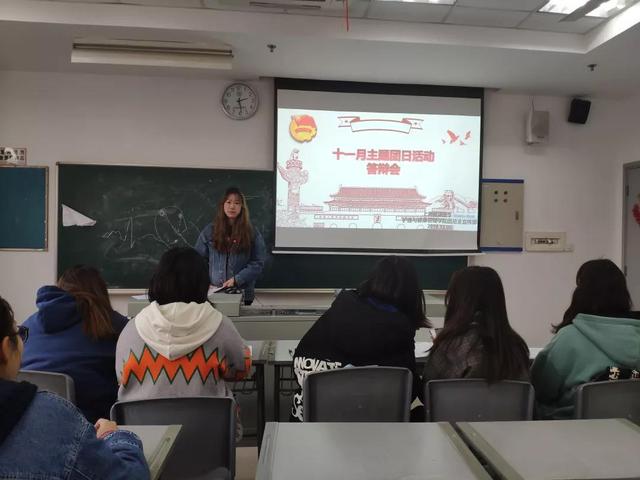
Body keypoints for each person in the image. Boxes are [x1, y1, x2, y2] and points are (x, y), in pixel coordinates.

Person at [0, 295, 149, 480]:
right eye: (20, 333)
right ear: (5, 349)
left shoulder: (34, 321)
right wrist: (115, 436)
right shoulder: (52, 419)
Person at [291, 256, 428, 422]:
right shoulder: (399, 330)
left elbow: (298, 364)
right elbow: (407, 391)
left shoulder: (338, 310)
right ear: (411, 293)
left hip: (306, 427)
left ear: (372, 280)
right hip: (366, 430)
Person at [116, 246, 251, 407]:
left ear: (158, 281)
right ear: (202, 283)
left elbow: (120, 377)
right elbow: (240, 370)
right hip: (208, 422)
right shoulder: (219, 325)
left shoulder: (132, 329)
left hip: (141, 423)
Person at [531, 259, 640, 419]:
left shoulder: (568, 338)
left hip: (571, 427)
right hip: (632, 428)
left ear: (581, 294)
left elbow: (539, 390)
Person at [21, 266, 128, 423]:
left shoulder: (29, 325)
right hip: (90, 424)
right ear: (100, 291)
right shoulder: (111, 324)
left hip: (30, 421)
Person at [422, 266, 529, 384]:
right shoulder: (517, 347)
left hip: (456, 397)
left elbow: (428, 388)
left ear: (457, 300)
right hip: (507, 397)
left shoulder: (448, 346)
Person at [195, 186, 266, 305]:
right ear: (222, 205)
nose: (232, 206)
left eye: (237, 203)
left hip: (242, 292)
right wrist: (204, 281)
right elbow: (198, 260)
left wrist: (237, 279)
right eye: (228, 202)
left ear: (242, 207)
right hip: (213, 291)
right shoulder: (209, 231)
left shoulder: (252, 232)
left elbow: (258, 262)